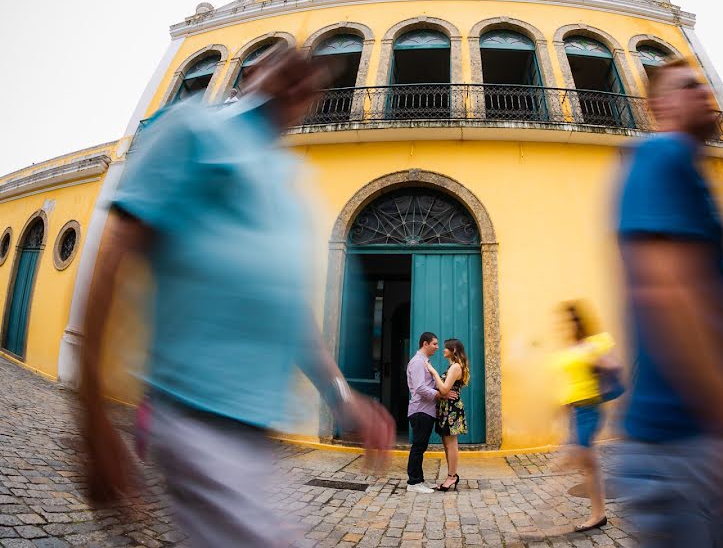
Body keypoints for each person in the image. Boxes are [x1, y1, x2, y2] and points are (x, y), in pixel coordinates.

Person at [78, 46, 395, 547]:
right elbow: (111, 262)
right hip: (191, 416)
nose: (298, 81)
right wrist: (92, 418)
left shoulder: (288, 186)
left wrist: (342, 396)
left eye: (310, 80)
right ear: (251, 71)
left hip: (256, 434)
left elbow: (290, 313)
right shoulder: (192, 131)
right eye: (285, 66)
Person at [613, 58, 723, 547]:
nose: (705, 93)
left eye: (704, 84)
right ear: (659, 105)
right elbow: (666, 292)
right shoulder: (664, 154)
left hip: (690, 445)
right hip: (679, 448)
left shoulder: (685, 170)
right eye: (687, 86)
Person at [553, 302, 620, 532]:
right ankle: (598, 514)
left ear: (578, 322)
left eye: (567, 322)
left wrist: (598, 360)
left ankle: (597, 515)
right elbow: (573, 382)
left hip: (591, 409)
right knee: (587, 464)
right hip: (576, 410)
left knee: (582, 458)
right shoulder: (570, 349)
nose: (562, 327)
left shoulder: (595, 343)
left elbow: (615, 365)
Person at [406, 332, 458, 493]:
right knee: (418, 447)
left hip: (426, 411)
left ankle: (418, 481)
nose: (437, 347)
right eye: (435, 344)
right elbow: (420, 388)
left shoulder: (424, 362)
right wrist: (440, 394)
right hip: (421, 410)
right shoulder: (417, 363)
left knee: (420, 446)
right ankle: (414, 483)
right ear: (425, 344)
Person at [426, 338, 470, 491]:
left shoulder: (456, 367)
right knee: (447, 444)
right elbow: (444, 391)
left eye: (446, 348)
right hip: (446, 408)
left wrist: (434, 372)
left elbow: (444, 389)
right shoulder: (452, 366)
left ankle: (452, 477)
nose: (443, 350)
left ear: (454, 350)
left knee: (451, 444)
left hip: (452, 409)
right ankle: (451, 475)